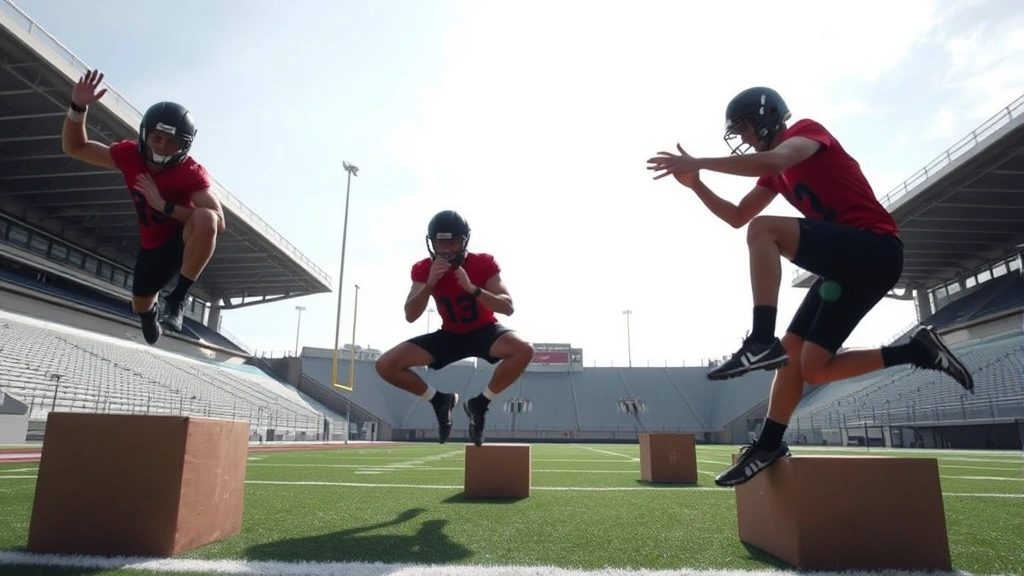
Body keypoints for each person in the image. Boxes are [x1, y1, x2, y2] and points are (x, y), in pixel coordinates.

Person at [646, 87, 974, 486]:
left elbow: (775, 161)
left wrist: (700, 160)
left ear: (767, 118)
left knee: (765, 230)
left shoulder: (804, 131)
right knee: (810, 366)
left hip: (875, 249)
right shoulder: (772, 173)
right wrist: (697, 183)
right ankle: (915, 352)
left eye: (745, 127)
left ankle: (761, 338)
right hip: (848, 267)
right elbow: (736, 215)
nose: (744, 137)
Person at [61, 69, 225, 345]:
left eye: (172, 142)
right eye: (157, 137)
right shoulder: (129, 155)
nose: (162, 146)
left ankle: (177, 299)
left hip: (184, 238)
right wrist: (78, 108)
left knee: (206, 219)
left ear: (184, 146)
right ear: (145, 135)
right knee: (140, 303)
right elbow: (75, 148)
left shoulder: (190, 172)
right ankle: (150, 314)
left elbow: (218, 222)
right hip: (152, 246)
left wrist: (164, 205)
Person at [375, 210, 535, 446]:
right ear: (432, 243)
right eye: (442, 243)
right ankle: (440, 400)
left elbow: (507, 307)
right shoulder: (423, 269)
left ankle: (480, 403)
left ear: (464, 241)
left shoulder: (483, 263)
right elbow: (410, 315)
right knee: (385, 365)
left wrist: (473, 289)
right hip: (450, 335)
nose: (448, 250)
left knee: (524, 350)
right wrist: (430, 284)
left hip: (484, 331)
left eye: (453, 243)